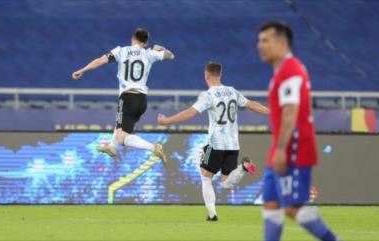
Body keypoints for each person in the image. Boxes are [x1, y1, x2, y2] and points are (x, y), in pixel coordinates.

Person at [256, 21, 340, 241]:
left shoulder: (291, 69)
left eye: (265, 40)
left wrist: (282, 149)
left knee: (292, 208)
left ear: (281, 42)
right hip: (281, 147)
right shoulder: (282, 71)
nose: (259, 45)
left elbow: (291, 110)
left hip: (294, 147)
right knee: (271, 205)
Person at [157, 61, 269, 221]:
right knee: (225, 182)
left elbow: (191, 112)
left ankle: (212, 214)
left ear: (206, 75)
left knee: (205, 176)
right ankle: (243, 167)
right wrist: (271, 112)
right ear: (220, 74)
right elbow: (251, 105)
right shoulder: (232, 91)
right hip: (233, 144)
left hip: (215, 144)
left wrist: (167, 121)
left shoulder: (208, 95)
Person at [72, 28, 174, 163]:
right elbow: (170, 56)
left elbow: (100, 61)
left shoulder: (121, 51)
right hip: (142, 100)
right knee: (120, 127)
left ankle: (153, 147)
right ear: (146, 42)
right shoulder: (149, 54)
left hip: (127, 98)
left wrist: (82, 70)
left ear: (132, 39)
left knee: (122, 135)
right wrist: (159, 48)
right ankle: (112, 146)